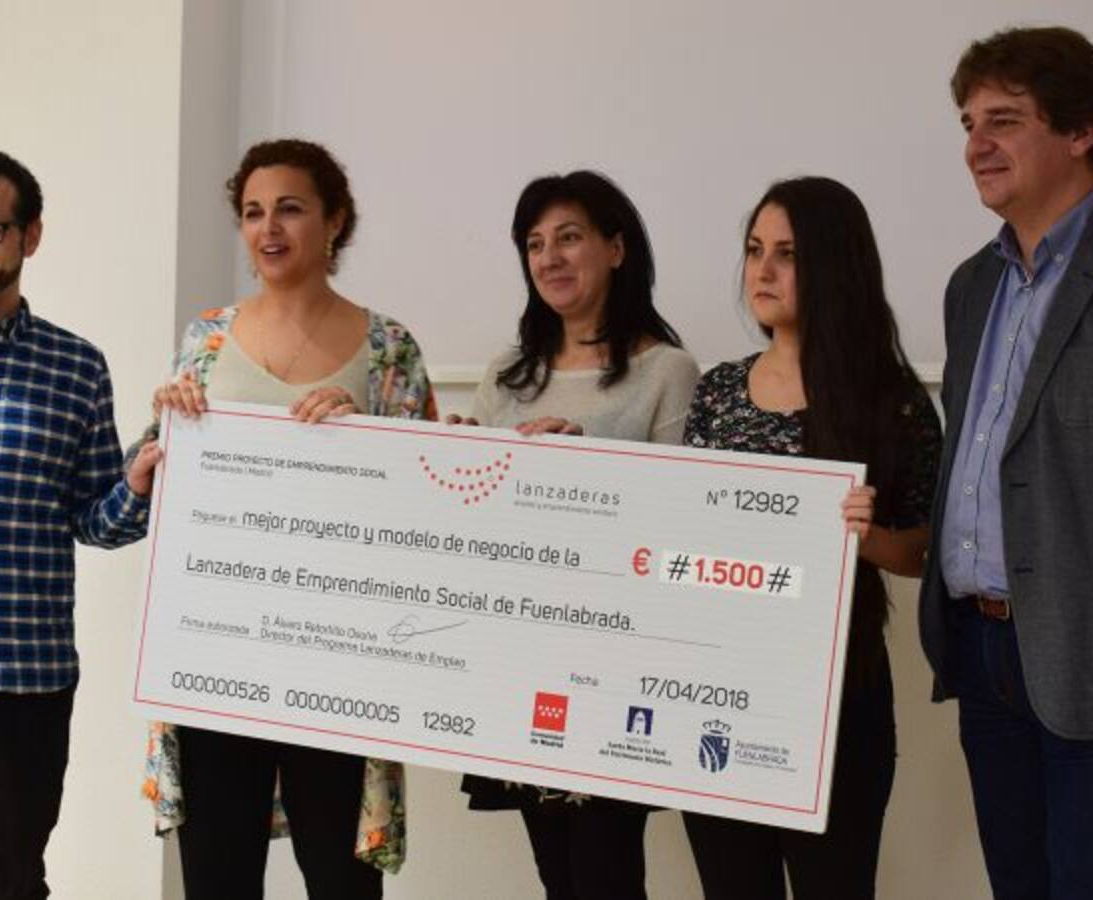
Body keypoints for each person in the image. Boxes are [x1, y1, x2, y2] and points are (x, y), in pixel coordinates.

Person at [141, 138, 435, 900]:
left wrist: (370, 439)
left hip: (338, 663)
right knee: (218, 879)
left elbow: (429, 508)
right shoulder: (205, 340)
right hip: (218, 659)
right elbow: (156, 484)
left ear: (335, 221)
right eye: (252, 212)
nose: (268, 228)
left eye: (290, 209)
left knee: (341, 883)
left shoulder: (388, 348)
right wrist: (162, 436)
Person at [0, 148, 161, 899]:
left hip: (26, 682)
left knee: (12, 883)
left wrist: (136, 485)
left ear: (29, 236)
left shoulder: (77, 367)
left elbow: (95, 520)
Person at [681, 176, 941, 899]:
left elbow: (929, 550)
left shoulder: (891, 399)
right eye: (754, 249)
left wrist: (867, 538)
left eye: (787, 254)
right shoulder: (717, 392)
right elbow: (683, 530)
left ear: (834, 265)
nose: (762, 271)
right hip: (717, 689)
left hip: (838, 695)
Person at [456, 170, 700, 900]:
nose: (550, 258)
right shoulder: (508, 373)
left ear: (616, 249)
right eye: (535, 244)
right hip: (519, 658)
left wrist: (588, 464)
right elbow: (475, 515)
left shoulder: (667, 371)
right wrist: (457, 458)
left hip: (614, 665)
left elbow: (683, 520)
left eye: (568, 238)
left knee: (606, 873)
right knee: (557, 877)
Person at [918, 26, 1093, 900]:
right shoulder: (971, 286)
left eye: (1005, 121)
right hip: (981, 646)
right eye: (968, 124)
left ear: (1081, 130)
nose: (976, 146)